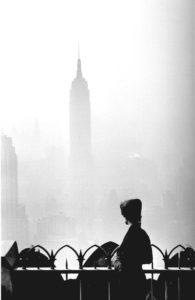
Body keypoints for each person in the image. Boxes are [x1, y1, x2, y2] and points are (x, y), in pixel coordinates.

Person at [113, 199, 152, 300]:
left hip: (128, 283)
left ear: (127, 216)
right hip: (139, 280)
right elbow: (148, 258)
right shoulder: (143, 234)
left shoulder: (131, 235)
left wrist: (116, 261)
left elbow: (124, 264)